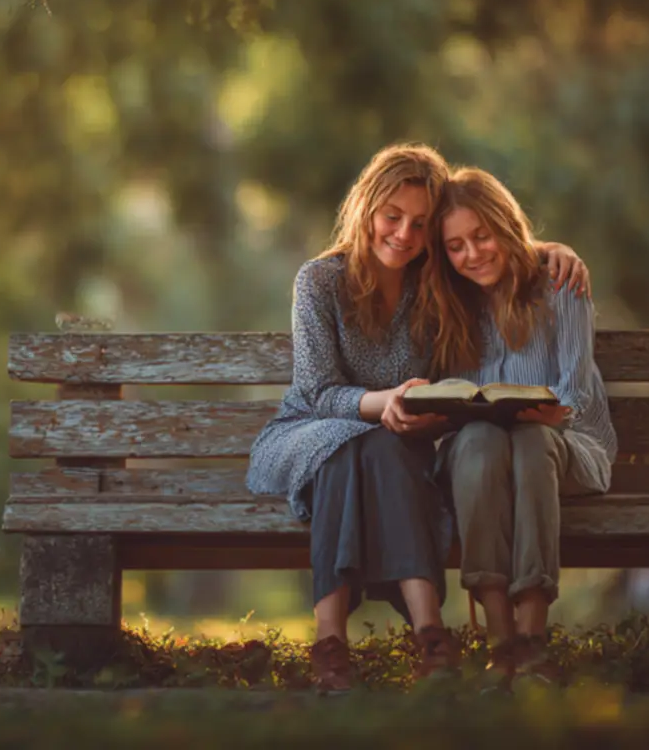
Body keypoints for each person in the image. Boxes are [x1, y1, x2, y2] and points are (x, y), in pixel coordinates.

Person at [245, 143, 590, 693]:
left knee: (383, 446)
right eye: (392, 217)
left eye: (419, 224)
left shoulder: (433, 284)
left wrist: (548, 249)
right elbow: (316, 393)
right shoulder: (319, 282)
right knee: (347, 444)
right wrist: (386, 403)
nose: (403, 234)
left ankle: (430, 636)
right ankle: (332, 639)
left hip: (393, 441)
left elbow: (487, 247)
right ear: (366, 208)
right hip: (306, 432)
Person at [429, 166, 617, 690]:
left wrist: (556, 415)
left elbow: (576, 391)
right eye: (456, 245)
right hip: (479, 457)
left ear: (505, 225)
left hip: (564, 446)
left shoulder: (559, 283)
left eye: (482, 236)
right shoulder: (447, 303)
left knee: (531, 440)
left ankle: (532, 643)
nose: (472, 254)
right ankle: (500, 644)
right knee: (482, 440)